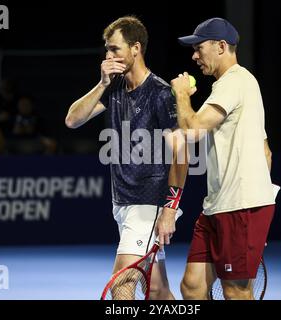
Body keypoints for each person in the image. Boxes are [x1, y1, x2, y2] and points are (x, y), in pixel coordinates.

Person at [65, 16, 188, 300]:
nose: (109, 56)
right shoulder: (114, 88)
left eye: (115, 49)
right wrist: (102, 83)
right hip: (121, 202)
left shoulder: (161, 93)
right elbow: (72, 119)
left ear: (136, 48)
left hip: (149, 204)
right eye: (107, 50)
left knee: (121, 284)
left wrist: (170, 208)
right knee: (157, 291)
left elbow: (181, 154)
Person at [171, 17, 276, 300]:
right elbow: (266, 152)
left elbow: (191, 130)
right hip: (220, 205)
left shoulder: (234, 82)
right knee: (192, 287)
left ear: (221, 46)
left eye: (198, 48)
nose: (194, 56)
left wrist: (181, 95)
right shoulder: (237, 84)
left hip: (240, 206)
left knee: (236, 292)